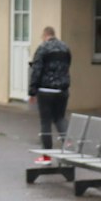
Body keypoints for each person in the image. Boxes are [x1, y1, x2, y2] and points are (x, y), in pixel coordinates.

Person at [27, 25, 72, 158]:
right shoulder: (65, 48)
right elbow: (67, 65)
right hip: (62, 90)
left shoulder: (43, 48)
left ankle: (46, 154)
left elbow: (37, 70)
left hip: (45, 90)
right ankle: (68, 141)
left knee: (45, 121)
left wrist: (32, 91)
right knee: (59, 117)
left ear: (45, 35)